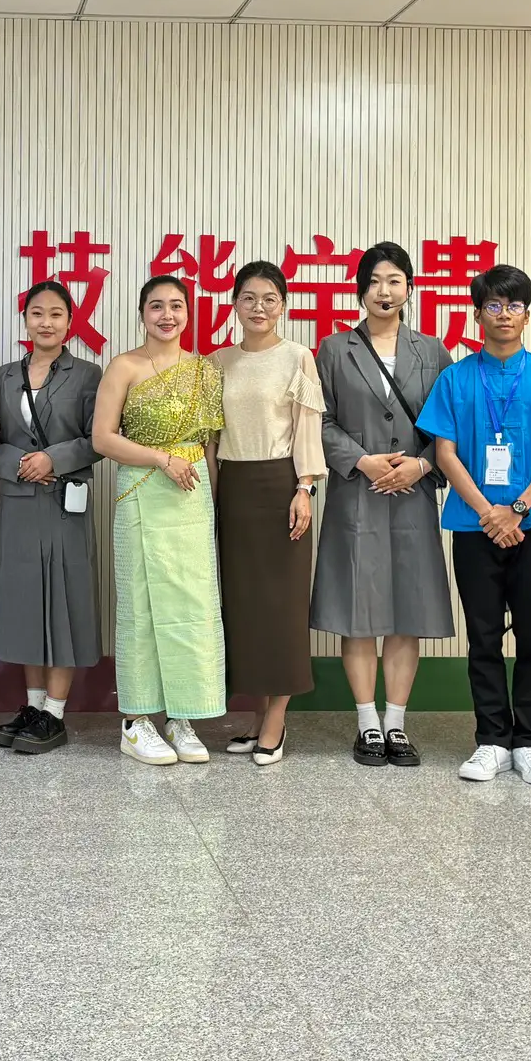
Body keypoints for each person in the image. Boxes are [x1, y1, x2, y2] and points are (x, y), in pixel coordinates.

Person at [416, 264, 531, 787]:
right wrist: (488, 512)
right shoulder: (455, 378)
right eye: (493, 305)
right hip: (474, 528)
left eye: (514, 306)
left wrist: (516, 509)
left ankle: (530, 742)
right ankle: (491, 740)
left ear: (527, 316)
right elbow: (445, 452)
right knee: (484, 636)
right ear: (478, 314)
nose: (504, 314)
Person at [311, 242, 454, 769]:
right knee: (359, 613)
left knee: (406, 612)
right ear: (360, 289)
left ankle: (396, 723)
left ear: (409, 289)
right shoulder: (334, 349)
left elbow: (449, 425)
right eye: (374, 281)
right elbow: (319, 420)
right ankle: (366, 723)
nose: (384, 291)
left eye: (394, 281)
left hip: (413, 498)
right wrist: (361, 460)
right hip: (357, 495)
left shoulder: (433, 352)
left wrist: (421, 465)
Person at [93, 274, 227, 766]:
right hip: (142, 490)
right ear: (142, 313)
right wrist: (160, 459)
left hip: (192, 496)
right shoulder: (124, 366)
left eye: (175, 306)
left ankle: (183, 715)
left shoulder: (204, 371)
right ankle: (136, 721)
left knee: (192, 604)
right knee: (142, 606)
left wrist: (212, 506)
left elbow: (210, 447)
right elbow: (102, 438)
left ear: (188, 313)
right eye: (156, 306)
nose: (167, 315)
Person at [213, 262, 325, 767]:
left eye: (270, 299)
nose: (259, 307)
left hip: (281, 486)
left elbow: (307, 427)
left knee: (281, 607)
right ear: (235, 303)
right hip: (233, 487)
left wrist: (304, 487)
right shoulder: (217, 361)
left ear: (283, 305)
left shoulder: (298, 356)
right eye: (249, 297)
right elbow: (212, 437)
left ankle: (276, 721)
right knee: (243, 609)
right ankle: (257, 717)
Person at [0, 281, 103, 756]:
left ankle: (55, 712)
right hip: (17, 502)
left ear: (70, 322)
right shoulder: (3, 376)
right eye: (37, 313)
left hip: (63, 503)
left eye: (56, 314)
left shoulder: (88, 374)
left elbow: (99, 437)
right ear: (26, 320)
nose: (46, 322)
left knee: (65, 599)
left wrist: (54, 458)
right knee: (25, 604)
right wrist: (17, 463)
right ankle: (32, 707)